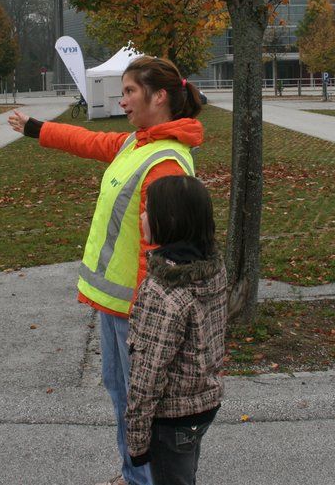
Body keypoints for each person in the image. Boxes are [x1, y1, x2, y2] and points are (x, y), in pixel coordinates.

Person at [7, 56, 204, 485]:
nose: (123, 100)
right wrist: (37, 128)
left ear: (159, 96)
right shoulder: (138, 143)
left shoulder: (164, 164)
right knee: (124, 398)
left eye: (130, 91)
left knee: (142, 406)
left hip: (136, 314)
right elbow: (89, 141)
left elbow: (161, 256)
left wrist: (148, 322)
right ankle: (134, 476)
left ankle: (145, 480)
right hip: (116, 307)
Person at [125, 175, 227, 485]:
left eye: (147, 209)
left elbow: (148, 373)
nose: (142, 215)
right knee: (185, 473)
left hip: (171, 418)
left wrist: (137, 442)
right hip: (204, 403)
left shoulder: (162, 291)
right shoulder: (213, 271)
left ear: (168, 220)